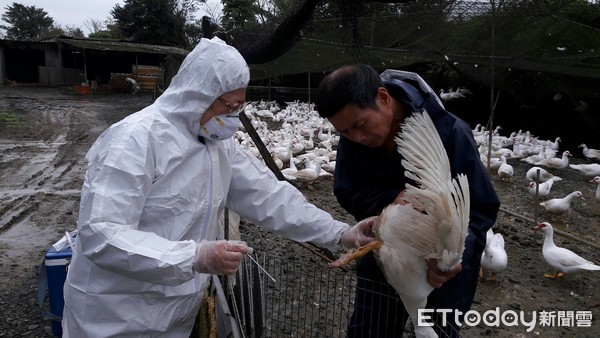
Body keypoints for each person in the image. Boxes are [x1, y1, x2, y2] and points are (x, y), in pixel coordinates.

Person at [61, 38, 376, 337]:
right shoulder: (134, 140)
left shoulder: (217, 146)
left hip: (173, 312)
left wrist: (339, 233)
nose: (234, 117)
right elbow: (102, 234)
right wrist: (194, 256)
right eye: (230, 105)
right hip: (113, 315)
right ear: (199, 95)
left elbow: (271, 198)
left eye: (240, 106)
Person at [315, 64, 500, 337]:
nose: (356, 138)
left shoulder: (449, 133)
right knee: (370, 330)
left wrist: (450, 256)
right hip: (382, 255)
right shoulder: (354, 137)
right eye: (345, 132)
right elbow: (347, 190)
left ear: (384, 98)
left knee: (435, 331)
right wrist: (392, 207)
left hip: (438, 270)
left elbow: (481, 208)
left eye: (360, 126)